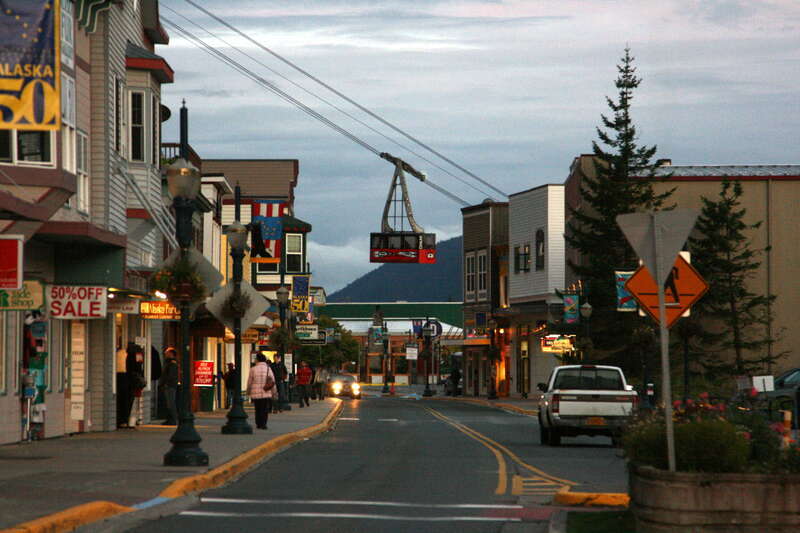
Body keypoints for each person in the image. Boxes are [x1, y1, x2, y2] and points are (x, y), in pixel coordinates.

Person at [247, 353, 276, 429]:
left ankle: (258, 423)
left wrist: (248, 391)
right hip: (266, 392)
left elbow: (249, 381)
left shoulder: (253, 369)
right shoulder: (268, 369)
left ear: (257, 359)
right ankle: (264, 423)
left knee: (258, 408)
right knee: (265, 409)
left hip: (256, 392)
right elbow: (272, 380)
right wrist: (274, 392)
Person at [127, 345, 146, 427]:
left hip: (130, 381)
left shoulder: (128, 357)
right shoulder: (138, 357)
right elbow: (139, 368)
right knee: (135, 401)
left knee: (132, 402)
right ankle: (134, 420)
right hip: (136, 382)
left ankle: (132, 420)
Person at [159, 347, 179, 425]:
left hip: (170, 385)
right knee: (169, 403)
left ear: (171, 354)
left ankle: (173, 419)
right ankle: (170, 419)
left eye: (166, 353)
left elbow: (170, 375)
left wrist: (165, 383)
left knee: (171, 403)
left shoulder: (172, 363)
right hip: (169, 385)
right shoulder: (169, 363)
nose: (165, 354)